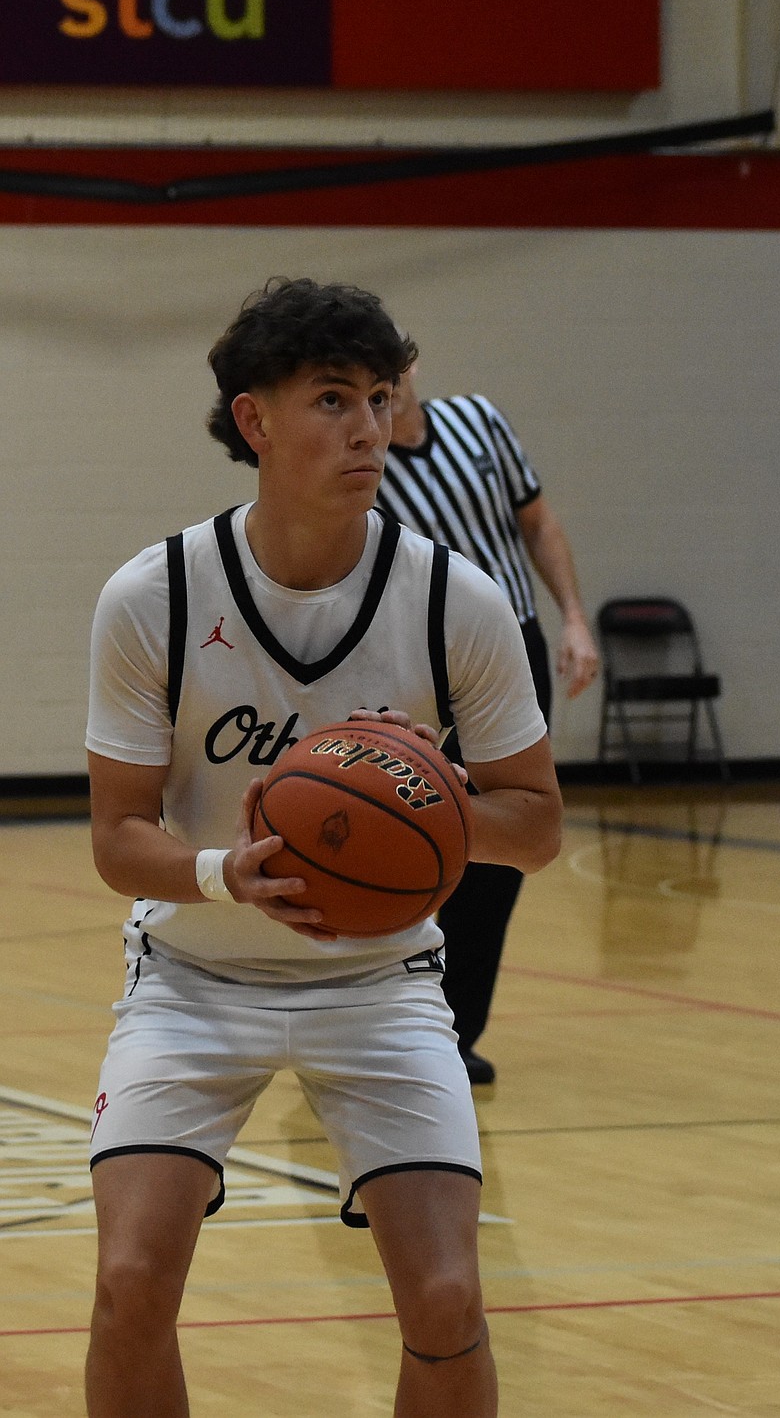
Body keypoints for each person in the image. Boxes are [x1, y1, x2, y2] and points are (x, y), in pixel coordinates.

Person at [83, 278, 562, 1418]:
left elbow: (537, 824)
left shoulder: (456, 600)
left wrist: (442, 794)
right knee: (130, 1279)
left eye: (380, 398)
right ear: (254, 420)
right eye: (333, 398)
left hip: (381, 985)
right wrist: (224, 874)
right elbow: (116, 836)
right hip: (194, 979)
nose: (368, 428)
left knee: (447, 1295)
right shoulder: (154, 595)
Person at [378, 363, 598, 1084]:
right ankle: (374, 1017)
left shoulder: (479, 419)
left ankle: (455, 1029)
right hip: (422, 660)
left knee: (502, 843)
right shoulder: (361, 460)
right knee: (404, 831)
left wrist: (573, 618)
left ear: (412, 366)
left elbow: (538, 522)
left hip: (516, 644)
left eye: (391, 368)